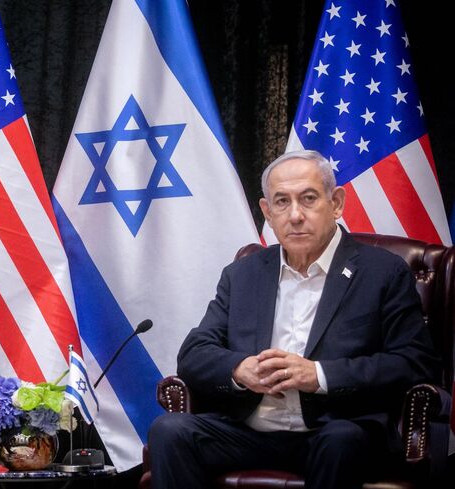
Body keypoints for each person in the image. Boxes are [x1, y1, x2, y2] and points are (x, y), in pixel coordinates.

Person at [148, 150, 439, 488]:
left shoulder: (382, 273)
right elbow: (194, 353)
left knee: (341, 440)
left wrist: (317, 375)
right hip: (249, 432)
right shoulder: (243, 274)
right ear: (267, 213)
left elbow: (414, 363)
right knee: (169, 431)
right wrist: (240, 371)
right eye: (282, 202)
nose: (295, 215)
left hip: (334, 430)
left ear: (337, 203)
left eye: (309, 199)